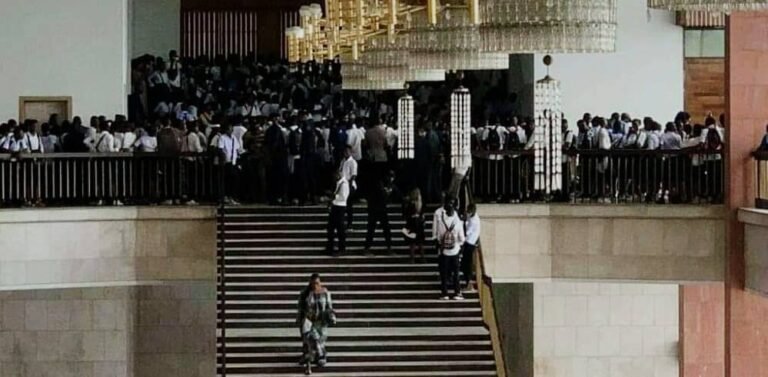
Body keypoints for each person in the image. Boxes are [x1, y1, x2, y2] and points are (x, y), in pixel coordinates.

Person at [296, 273, 336, 375]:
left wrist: (332, 317)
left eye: (317, 283)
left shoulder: (326, 293)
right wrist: (299, 320)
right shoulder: (305, 293)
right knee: (313, 339)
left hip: (321, 322)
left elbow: (329, 307)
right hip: (309, 321)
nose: (315, 285)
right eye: (313, 283)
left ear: (320, 282)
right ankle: (313, 357)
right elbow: (301, 308)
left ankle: (319, 356)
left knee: (321, 339)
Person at [433, 197, 466, 300]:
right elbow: (462, 238)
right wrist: (458, 245)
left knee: (443, 273)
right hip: (454, 250)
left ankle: (444, 293)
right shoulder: (457, 222)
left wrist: (439, 243)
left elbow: (438, 234)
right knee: (456, 273)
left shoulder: (441, 219)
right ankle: (457, 292)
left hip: (444, 251)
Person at [363, 173, 393, 256]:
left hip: (377, 209)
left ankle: (388, 248)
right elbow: (383, 195)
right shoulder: (379, 185)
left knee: (379, 229)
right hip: (377, 209)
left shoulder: (377, 185)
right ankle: (367, 249)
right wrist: (387, 192)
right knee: (375, 230)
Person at [218, 124, 242, 205]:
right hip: (227, 162)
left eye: (231, 129)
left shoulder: (234, 138)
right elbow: (220, 148)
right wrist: (223, 157)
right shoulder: (222, 138)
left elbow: (237, 149)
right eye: (229, 129)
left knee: (234, 179)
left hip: (233, 162)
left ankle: (232, 197)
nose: (230, 131)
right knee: (227, 180)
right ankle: (226, 196)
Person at [326, 170, 349, 256]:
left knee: (340, 229)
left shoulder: (344, 184)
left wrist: (333, 196)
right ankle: (330, 247)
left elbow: (343, 197)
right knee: (330, 228)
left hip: (340, 207)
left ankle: (341, 248)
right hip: (335, 206)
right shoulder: (339, 183)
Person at [402, 187, 425, 263]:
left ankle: (412, 258)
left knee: (412, 242)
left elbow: (405, 215)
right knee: (420, 242)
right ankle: (422, 257)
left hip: (412, 224)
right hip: (419, 224)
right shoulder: (420, 203)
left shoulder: (410, 204)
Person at [462, 203, 480, 292]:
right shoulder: (475, 217)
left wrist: (464, 222)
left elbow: (467, 232)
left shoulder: (473, 221)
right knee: (465, 263)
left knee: (467, 263)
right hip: (471, 242)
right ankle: (468, 282)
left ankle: (469, 283)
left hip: (469, 243)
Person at [340, 146, 358, 228]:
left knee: (349, 205)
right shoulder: (343, 161)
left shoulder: (353, 162)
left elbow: (353, 175)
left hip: (349, 185)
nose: (345, 153)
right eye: (344, 151)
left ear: (350, 152)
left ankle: (349, 223)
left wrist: (349, 187)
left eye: (347, 151)